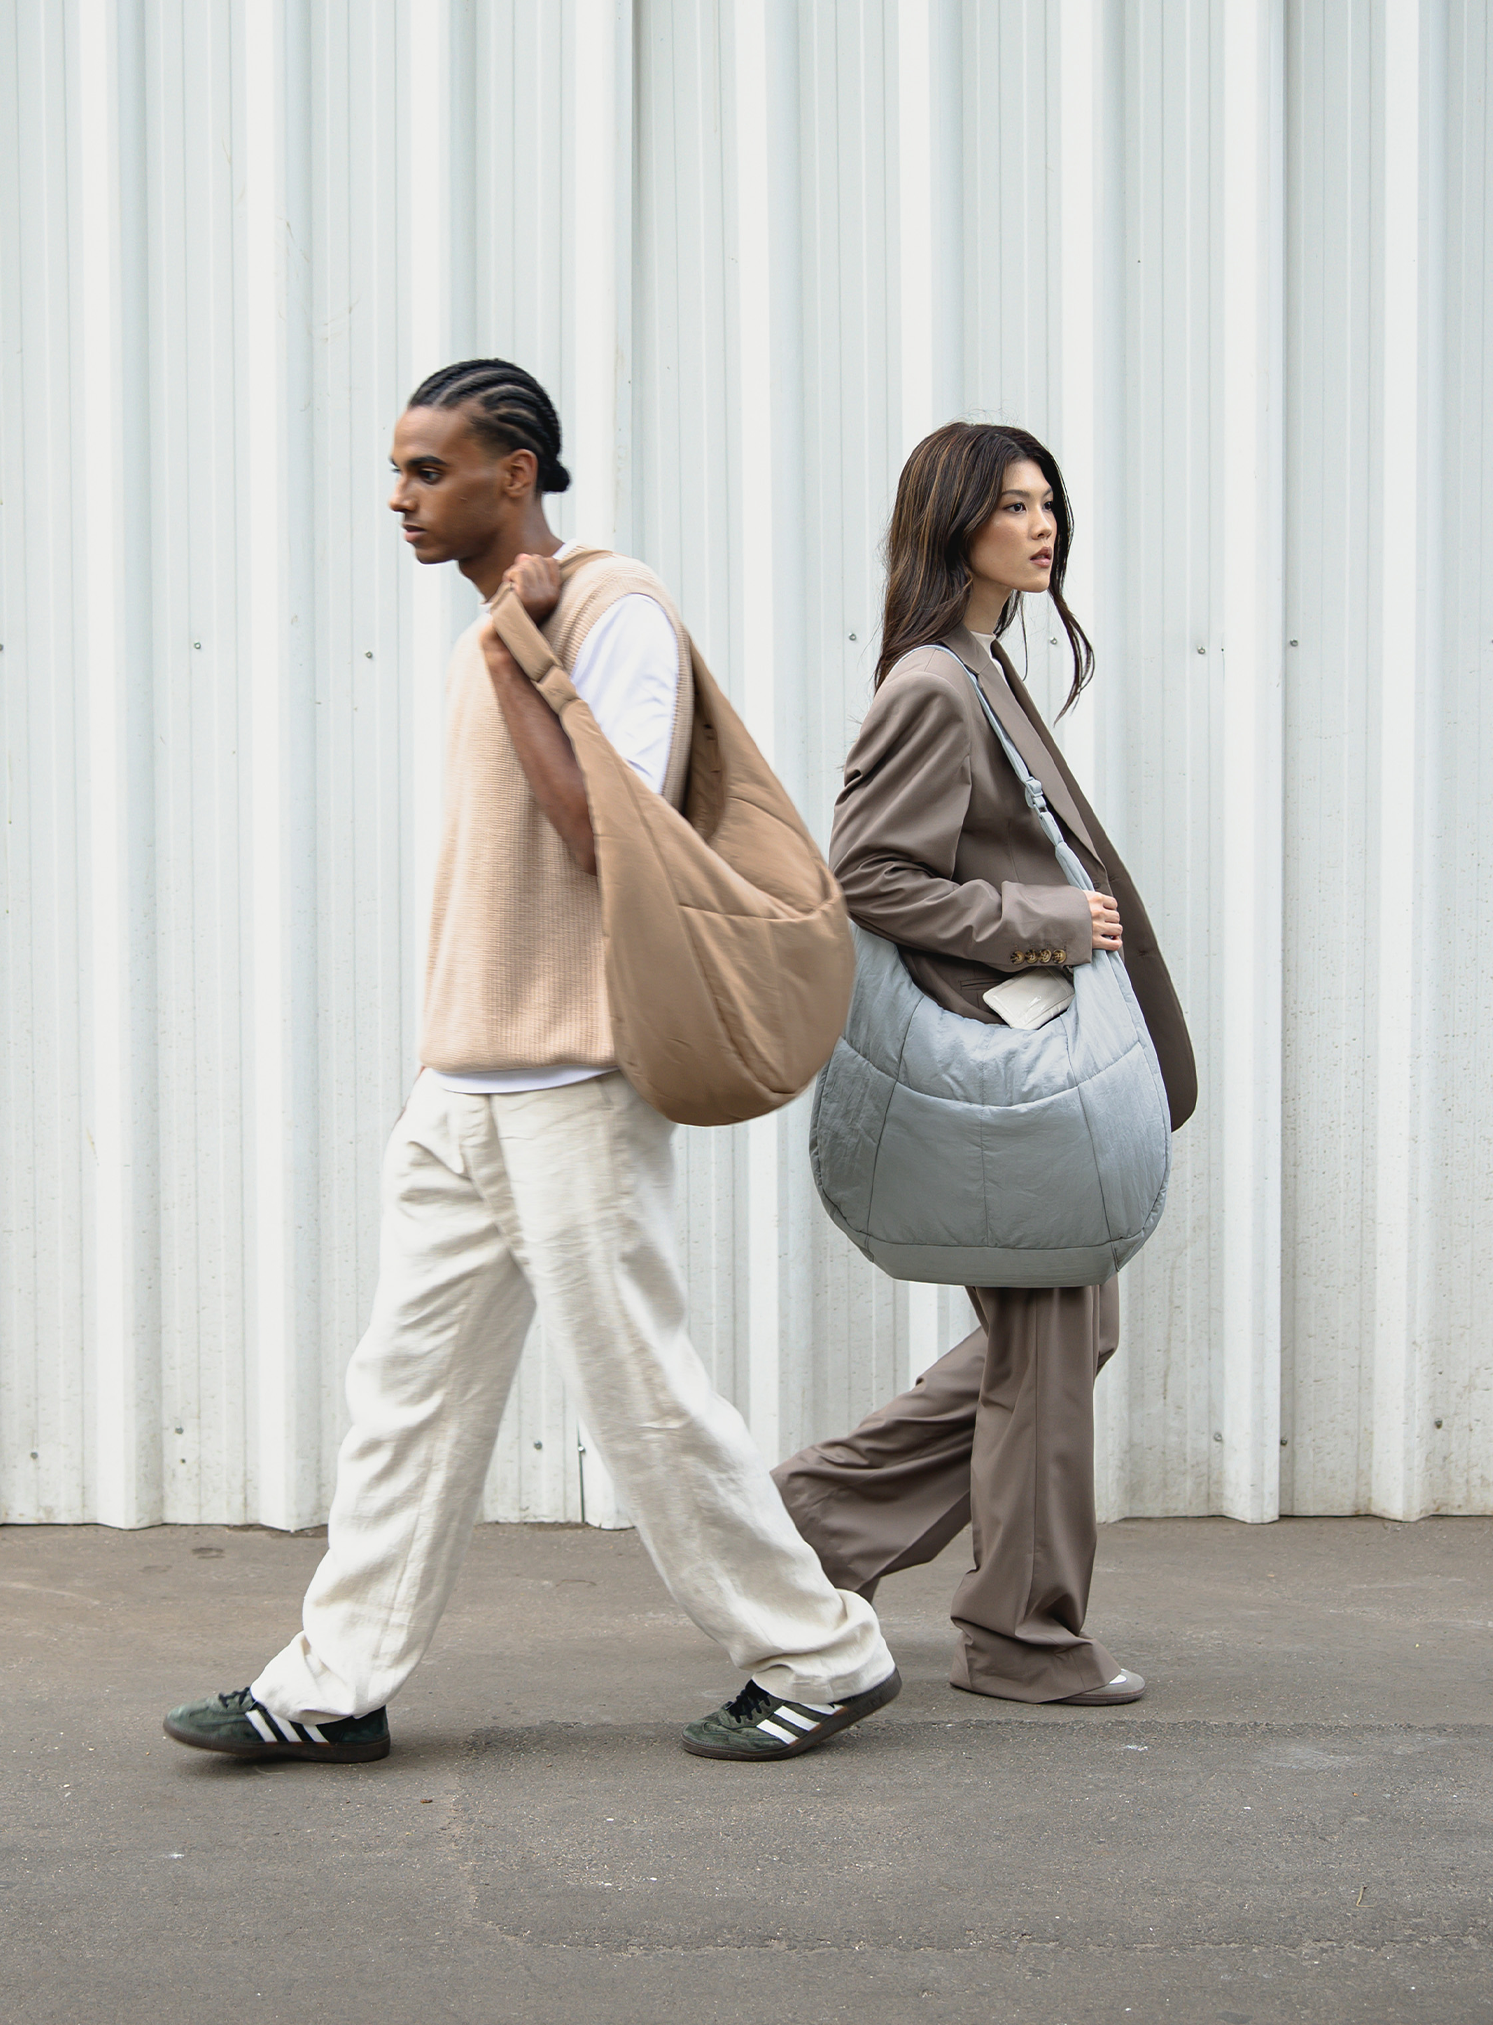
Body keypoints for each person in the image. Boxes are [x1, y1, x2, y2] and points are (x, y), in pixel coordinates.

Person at [163, 360, 899, 1765]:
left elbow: (605, 834)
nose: (400, 498)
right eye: (396, 470)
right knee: (404, 1396)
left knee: (644, 1396)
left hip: (571, 1080)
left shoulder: (618, 611)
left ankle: (822, 1654)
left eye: (427, 470)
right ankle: (332, 1687)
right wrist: (500, 644)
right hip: (465, 1080)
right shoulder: (488, 637)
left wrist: (515, 650)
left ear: (514, 475)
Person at [773, 423, 1196, 1707]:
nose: (1042, 523)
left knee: (1067, 1330)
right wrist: (1048, 922)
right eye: (1013, 504)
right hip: (1009, 1068)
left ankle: (805, 1528)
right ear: (953, 521)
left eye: (1048, 501)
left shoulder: (981, 664)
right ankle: (1019, 1633)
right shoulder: (935, 685)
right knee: (1050, 1345)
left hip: (1023, 1062)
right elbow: (869, 876)